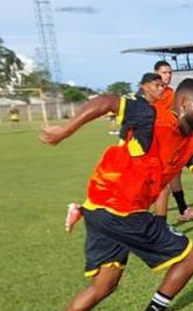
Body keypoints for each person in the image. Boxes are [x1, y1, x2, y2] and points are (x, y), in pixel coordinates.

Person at [27, 78, 193, 311]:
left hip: (101, 212)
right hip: (121, 212)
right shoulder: (150, 116)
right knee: (192, 257)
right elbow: (106, 101)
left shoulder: (191, 141)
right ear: (183, 104)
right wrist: (65, 130)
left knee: (104, 285)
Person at [66, 72, 166, 233]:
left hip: (130, 156)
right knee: (132, 200)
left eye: (163, 85)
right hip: (135, 160)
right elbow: (109, 102)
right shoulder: (142, 106)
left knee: (115, 195)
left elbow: (128, 128)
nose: (162, 89)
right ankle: (158, 229)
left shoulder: (143, 105)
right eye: (157, 85)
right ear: (144, 86)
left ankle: (80, 210)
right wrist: (66, 130)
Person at [152, 60, 193, 222]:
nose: (168, 76)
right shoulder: (149, 94)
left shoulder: (172, 94)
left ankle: (182, 210)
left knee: (173, 173)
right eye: (164, 73)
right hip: (152, 140)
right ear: (156, 73)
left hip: (168, 140)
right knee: (157, 185)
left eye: (170, 72)